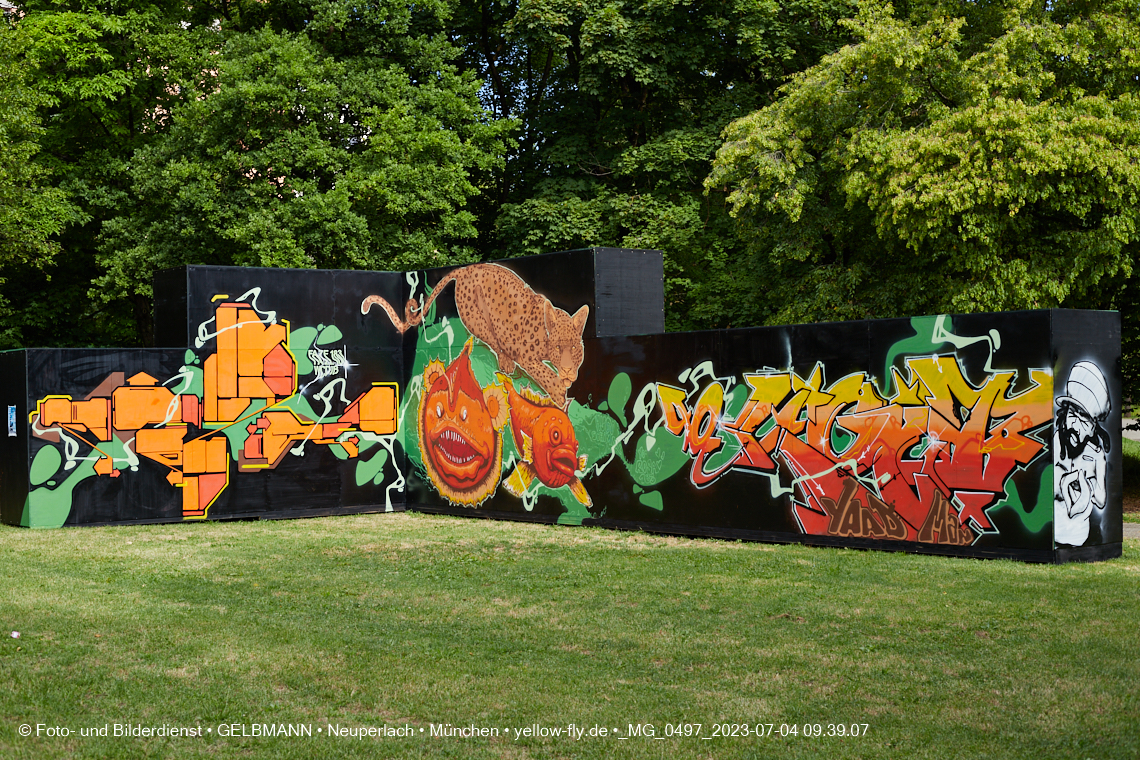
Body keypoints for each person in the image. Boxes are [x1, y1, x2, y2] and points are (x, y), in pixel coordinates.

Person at [1053, 361, 1111, 546]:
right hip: (1055, 533)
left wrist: (1086, 484)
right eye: (1072, 413)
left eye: (1083, 418)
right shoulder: (1057, 441)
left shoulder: (1096, 454)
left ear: (1094, 426)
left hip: (1080, 537)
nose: (1074, 425)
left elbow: (1101, 500)